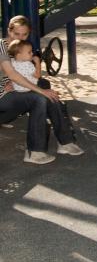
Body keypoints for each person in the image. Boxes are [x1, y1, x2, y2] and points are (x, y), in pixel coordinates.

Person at [0, 17, 84, 163]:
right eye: (16, 34)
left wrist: (41, 88)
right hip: (3, 93)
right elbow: (12, 74)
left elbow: (27, 72)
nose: (20, 38)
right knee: (40, 96)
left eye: (24, 34)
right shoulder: (2, 46)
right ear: (9, 31)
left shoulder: (22, 47)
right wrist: (40, 91)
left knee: (46, 90)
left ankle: (65, 142)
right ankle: (35, 151)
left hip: (14, 88)